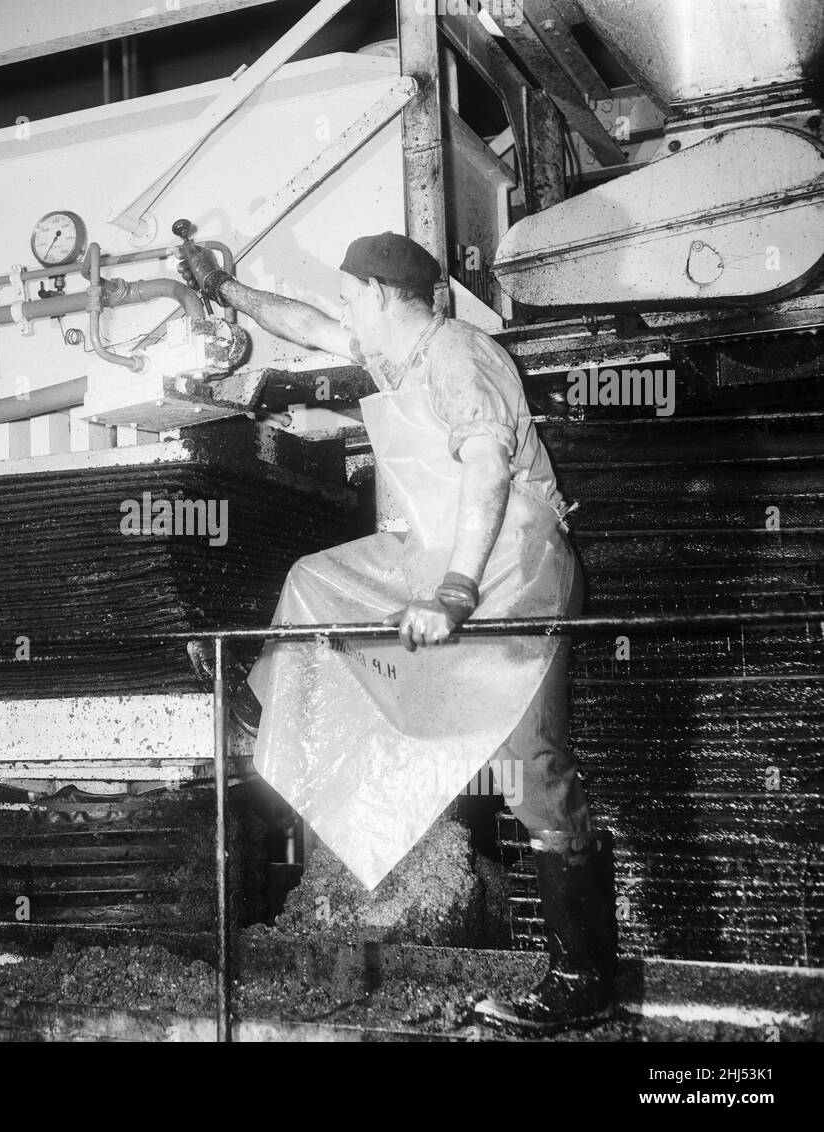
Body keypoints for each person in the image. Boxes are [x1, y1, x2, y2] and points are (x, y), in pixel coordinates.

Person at [179, 231, 616, 1033]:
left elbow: (485, 467)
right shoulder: (394, 353)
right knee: (317, 579)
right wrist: (229, 292)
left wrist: (456, 588)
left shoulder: (460, 355)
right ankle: (262, 709)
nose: (345, 311)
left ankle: (583, 979)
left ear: (381, 294)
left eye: (352, 297)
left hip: (512, 566)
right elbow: (307, 323)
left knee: (532, 777)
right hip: (430, 551)